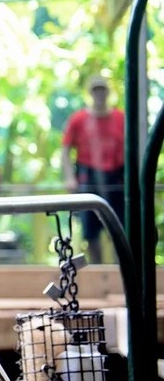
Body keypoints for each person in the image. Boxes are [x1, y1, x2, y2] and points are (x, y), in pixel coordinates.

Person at [60, 75, 125, 263]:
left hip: (116, 178)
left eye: (102, 90)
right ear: (90, 93)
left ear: (108, 92)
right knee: (90, 230)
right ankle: (98, 266)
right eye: (96, 90)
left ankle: (118, 268)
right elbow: (65, 150)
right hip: (88, 176)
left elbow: (132, 150)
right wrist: (70, 178)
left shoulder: (120, 118)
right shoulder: (78, 119)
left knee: (118, 227)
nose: (99, 94)